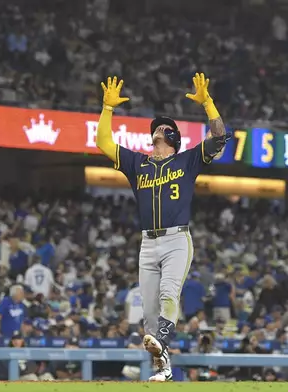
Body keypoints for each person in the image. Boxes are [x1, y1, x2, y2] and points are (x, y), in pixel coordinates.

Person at [95, 74, 230, 382]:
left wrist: (207, 102)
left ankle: (164, 340)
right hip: (148, 243)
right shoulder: (138, 164)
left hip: (176, 240)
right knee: (149, 316)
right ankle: (164, 369)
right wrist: (107, 109)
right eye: (156, 128)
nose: (156, 130)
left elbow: (221, 137)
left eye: (163, 129)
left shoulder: (188, 161)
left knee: (170, 294)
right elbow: (103, 142)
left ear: (172, 138)